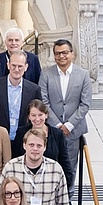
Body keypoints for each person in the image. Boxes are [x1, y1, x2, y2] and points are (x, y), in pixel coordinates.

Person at [39, 38, 91, 190]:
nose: (61, 56)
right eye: (57, 53)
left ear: (72, 54)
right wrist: (57, 124)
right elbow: (44, 101)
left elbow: (85, 103)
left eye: (65, 53)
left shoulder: (83, 75)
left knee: (69, 166)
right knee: (49, 165)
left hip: (73, 131)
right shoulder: (46, 74)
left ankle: (68, 197)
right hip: (51, 129)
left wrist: (69, 125)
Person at [11, 100, 75, 188]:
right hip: (25, 183)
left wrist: (66, 185)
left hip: (51, 183)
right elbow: (15, 158)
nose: (37, 119)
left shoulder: (57, 134)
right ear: (29, 117)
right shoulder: (21, 132)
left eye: (40, 115)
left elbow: (64, 161)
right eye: (33, 115)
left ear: (46, 115)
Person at [0, 49, 43, 146]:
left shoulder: (34, 90)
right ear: (8, 65)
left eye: (20, 66)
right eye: (13, 65)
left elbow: (38, 114)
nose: (16, 69)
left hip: (25, 140)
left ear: (26, 67)